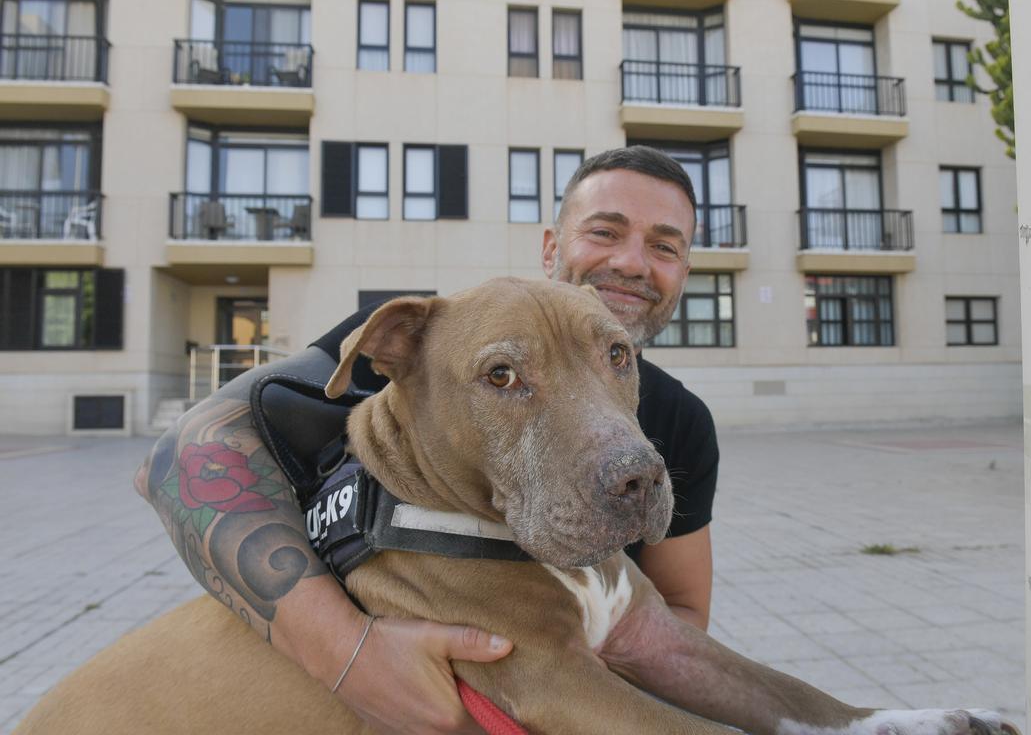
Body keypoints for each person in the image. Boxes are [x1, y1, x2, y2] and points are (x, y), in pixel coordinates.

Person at [135, 145, 719, 735]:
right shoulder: (434, 342)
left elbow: (682, 612)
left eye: (664, 246)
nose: (632, 261)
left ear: (683, 273)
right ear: (552, 248)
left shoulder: (685, 422)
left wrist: (573, 691)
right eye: (604, 231)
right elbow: (175, 457)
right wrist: (348, 654)